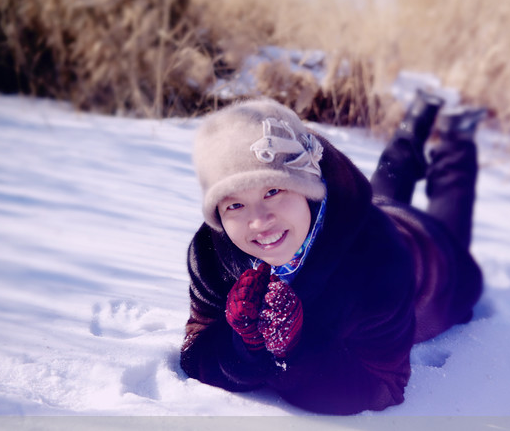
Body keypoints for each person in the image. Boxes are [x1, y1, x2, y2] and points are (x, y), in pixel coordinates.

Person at [180, 91, 485, 415]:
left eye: (273, 190)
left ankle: (457, 134)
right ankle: (417, 119)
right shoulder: (211, 251)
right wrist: (246, 346)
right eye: (235, 204)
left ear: (308, 190)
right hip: (360, 215)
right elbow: (195, 351)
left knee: (449, 233)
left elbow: (384, 386)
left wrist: (294, 352)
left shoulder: (381, 263)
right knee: (381, 191)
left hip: (433, 260)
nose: (259, 221)